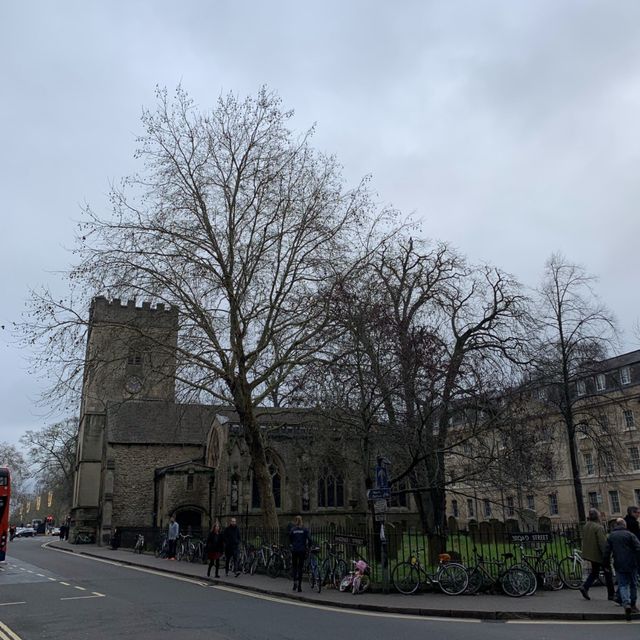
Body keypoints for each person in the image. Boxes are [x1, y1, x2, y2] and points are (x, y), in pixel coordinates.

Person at [603, 517, 640, 620]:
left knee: (623, 585)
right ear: (624, 525)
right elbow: (638, 548)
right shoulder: (630, 535)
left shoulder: (611, 536)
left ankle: (626, 604)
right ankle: (633, 604)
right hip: (632, 564)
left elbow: (607, 552)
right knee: (633, 584)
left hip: (619, 564)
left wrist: (605, 564)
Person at [579, 508, 614, 600]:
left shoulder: (586, 525)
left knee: (595, 572)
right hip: (598, 554)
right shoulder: (599, 527)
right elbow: (602, 543)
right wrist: (606, 555)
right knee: (608, 573)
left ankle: (585, 587)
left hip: (590, 553)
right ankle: (611, 594)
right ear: (597, 516)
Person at [289, 515, 311, 592]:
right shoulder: (304, 530)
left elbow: (290, 539)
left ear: (295, 521)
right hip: (302, 550)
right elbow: (309, 539)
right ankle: (300, 586)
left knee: (294, 567)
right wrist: (309, 546)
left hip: (294, 550)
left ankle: (295, 583)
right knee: (300, 568)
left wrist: (292, 544)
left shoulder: (293, 530)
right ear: (302, 521)